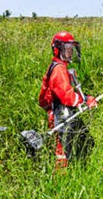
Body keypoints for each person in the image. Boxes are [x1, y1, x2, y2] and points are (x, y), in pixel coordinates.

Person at [38, 32, 97, 169]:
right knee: (62, 154)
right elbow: (66, 96)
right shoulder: (58, 69)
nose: (70, 52)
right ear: (58, 50)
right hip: (60, 117)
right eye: (67, 49)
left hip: (65, 114)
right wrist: (86, 99)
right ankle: (60, 183)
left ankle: (80, 172)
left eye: (72, 49)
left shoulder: (63, 67)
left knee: (85, 143)